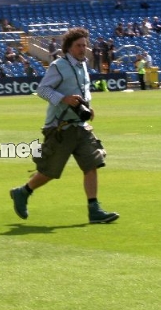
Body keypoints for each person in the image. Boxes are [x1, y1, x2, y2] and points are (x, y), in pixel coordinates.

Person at [9, 27, 119, 225]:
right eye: (78, 45)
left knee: (92, 164)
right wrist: (64, 99)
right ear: (68, 47)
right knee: (50, 172)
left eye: (85, 45)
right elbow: (42, 90)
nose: (82, 49)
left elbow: (82, 91)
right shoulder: (59, 66)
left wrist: (88, 107)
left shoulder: (83, 65)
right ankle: (23, 192)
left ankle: (94, 209)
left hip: (81, 125)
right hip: (61, 127)